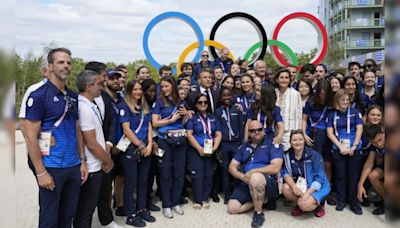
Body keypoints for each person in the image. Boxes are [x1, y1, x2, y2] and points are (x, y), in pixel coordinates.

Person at [23, 48, 88, 228]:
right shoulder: (39, 95)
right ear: (50, 66)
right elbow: (30, 136)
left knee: (68, 216)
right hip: (51, 167)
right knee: (49, 219)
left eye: (68, 62)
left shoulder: (73, 96)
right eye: (61, 62)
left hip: (73, 166)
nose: (66, 66)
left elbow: (77, 130)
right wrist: (41, 172)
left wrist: (82, 161)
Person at [74, 70, 114, 228]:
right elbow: (90, 142)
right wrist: (107, 160)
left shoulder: (90, 105)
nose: (102, 87)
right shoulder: (83, 107)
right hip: (91, 166)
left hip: (97, 162)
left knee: (88, 207)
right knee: (85, 209)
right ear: (89, 86)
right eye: (99, 84)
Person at [84, 62, 122, 228]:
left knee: (106, 188)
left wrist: (108, 145)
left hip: (105, 151)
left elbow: (112, 123)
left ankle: (106, 220)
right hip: (88, 155)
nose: (106, 78)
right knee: (87, 196)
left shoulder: (105, 98)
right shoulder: (80, 100)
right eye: (104, 75)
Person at [227, 120, 283, 228]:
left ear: (264, 130)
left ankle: (258, 213)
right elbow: (231, 167)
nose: (256, 132)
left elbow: (276, 168)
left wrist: (254, 171)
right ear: (248, 132)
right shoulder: (243, 146)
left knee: (256, 178)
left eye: (259, 129)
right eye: (253, 130)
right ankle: (264, 200)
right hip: (246, 181)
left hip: (267, 182)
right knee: (232, 208)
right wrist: (243, 178)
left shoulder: (272, 143)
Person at [152, 76, 190, 218]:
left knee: (179, 173)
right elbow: (155, 123)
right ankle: (166, 205)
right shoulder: (159, 101)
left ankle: (176, 202)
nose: (164, 89)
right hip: (164, 141)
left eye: (167, 86)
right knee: (165, 173)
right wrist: (170, 120)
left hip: (180, 140)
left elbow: (183, 122)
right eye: (162, 86)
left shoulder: (181, 101)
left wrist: (185, 115)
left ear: (173, 86)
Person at [119, 80, 155, 227]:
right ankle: (131, 214)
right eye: (135, 90)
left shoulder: (144, 107)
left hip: (146, 148)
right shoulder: (124, 106)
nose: (138, 92)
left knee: (143, 181)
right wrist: (140, 145)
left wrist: (150, 144)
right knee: (131, 183)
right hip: (131, 149)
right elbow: (126, 130)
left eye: (140, 89)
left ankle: (141, 209)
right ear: (129, 91)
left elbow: (149, 125)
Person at [327, 89, 364, 215]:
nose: (345, 102)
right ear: (337, 100)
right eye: (342, 100)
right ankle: (341, 200)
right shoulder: (332, 114)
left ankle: (353, 202)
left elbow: (359, 129)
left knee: (353, 176)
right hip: (339, 148)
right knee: (340, 176)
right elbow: (329, 132)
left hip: (354, 148)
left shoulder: (355, 112)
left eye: (347, 100)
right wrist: (340, 146)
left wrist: (354, 146)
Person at [281, 130, 330, 217]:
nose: (297, 142)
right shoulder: (287, 155)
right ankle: (302, 204)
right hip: (302, 185)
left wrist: (307, 194)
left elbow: (319, 178)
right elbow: (285, 173)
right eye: (294, 140)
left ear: (304, 140)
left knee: (305, 205)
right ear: (290, 142)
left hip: (317, 186)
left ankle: (320, 204)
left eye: (300, 139)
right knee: (285, 188)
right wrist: (294, 187)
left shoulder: (314, 155)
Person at [186, 94, 222, 209]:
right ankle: (197, 200)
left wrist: (215, 147)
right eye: (200, 102)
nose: (203, 104)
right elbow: (189, 134)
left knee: (209, 174)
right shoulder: (192, 118)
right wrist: (199, 148)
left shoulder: (213, 117)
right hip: (196, 150)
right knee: (198, 175)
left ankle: (204, 198)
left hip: (210, 149)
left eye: (205, 102)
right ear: (196, 104)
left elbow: (218, 134)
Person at [19, 55, 49, 175]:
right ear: (44, 71)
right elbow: (23, 125)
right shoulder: (35, 90)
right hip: (43, 154)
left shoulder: (67, 93)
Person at [215, 87, 244, 204]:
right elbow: (216, 130)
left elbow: (241, 128)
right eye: (224, 96)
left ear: (232, 96)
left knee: (236, 170)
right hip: (224, 144)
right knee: (225, 170)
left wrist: (242, 143)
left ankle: (236, 193)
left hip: (236, 144)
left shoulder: (237, 109)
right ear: (220, 98)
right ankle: (227, 195)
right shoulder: (217, 111)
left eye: (228, 95)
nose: (226, 98)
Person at [302, 80, 333, 182]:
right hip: (314, 134)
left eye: (325, 94)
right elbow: (304, 119)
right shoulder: (311, 102)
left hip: (329, 135)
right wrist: (304, 134)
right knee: (316, 159)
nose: (322, 97)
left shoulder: (332, 102)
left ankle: (327, 185)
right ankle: (315, 183)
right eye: (320, 94)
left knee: (328, 161)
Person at [141, 79, 162, 212]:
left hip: (156, 141)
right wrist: (151, 142)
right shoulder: (141, 106)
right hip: (145, 143)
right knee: (146, 176)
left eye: (154, 91)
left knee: (154, 172)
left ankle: (149, 199)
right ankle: (144, 203)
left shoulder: (155, 104)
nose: (153, 94)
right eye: (150, 91)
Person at [358, 123, 385, 215]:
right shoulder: (374, 145)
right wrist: (360, 185)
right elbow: (369, 164)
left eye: (380, 140)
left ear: (383, 133)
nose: (379, 144)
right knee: (373, 176)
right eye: (374, 142)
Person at [275, 68, 303, 151]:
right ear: (277, 79)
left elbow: (299, 114)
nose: (284, 80)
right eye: (282, 77)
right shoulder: (273, 92)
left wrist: (297, 133)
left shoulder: (295, 93)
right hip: (275, 131)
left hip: (291, 131)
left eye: (286, 78)